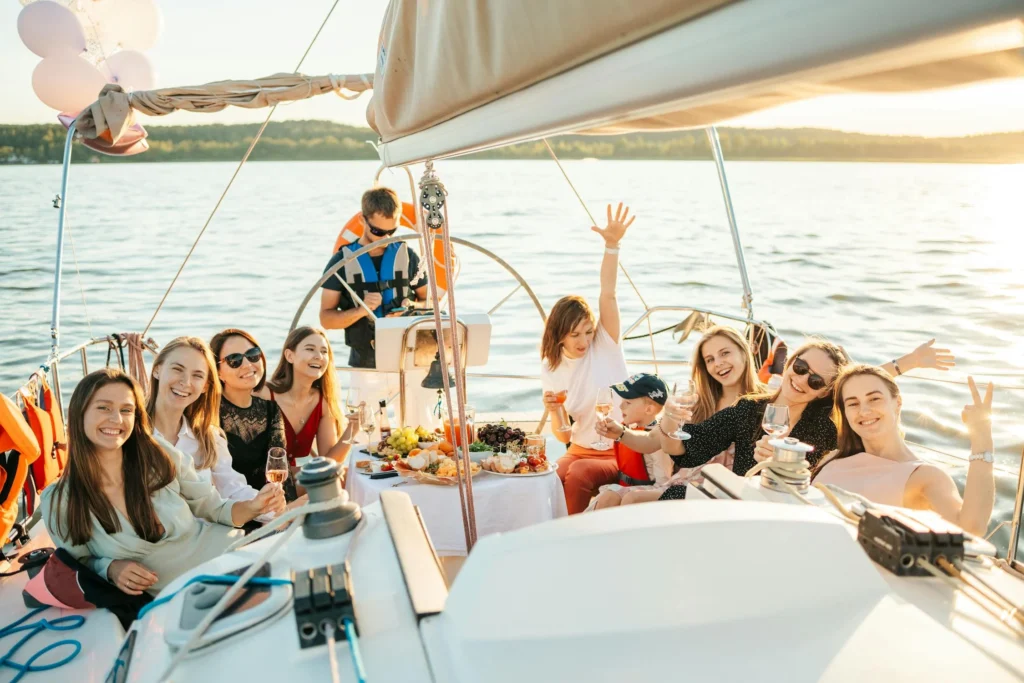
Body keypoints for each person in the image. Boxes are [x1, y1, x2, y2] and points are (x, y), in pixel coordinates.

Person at [40, 369, 281, 595]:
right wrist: (111, 568)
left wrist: (254, 506)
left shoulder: (158, 455)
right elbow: (78, 563)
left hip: (234, 555)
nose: (116, 419)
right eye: (103, 408)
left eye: (126, 410)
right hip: (182, 596)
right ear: (78, 413)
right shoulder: (60, 500)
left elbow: (215, 509)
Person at [813, 365, 995, 537]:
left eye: (874, 398)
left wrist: (982, 435)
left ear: (897, 402)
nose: (864, 410)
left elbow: (971, 528)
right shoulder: (832, 459)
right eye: (853, 403)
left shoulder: (924, 476)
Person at [595, 325, 762, 506]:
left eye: (725, 353)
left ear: (744, 353)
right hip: (684, 483)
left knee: (633, 499)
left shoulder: (763, 404)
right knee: (608, 498)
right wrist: (620, 433)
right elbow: (652, 440)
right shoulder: (698, 404)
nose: (718, 363)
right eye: (710, 359)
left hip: (717, 492)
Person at [540, 203, 635, 514]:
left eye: (587, 331)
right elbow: (563, 435)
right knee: (547, 475)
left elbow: (608, 293)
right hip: (579, 448)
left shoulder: (605, 344)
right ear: (559, 336)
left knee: (578, 475)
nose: (584, 341)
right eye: (575, 334)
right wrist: (553, 412)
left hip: (618, 450)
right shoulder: (551, 367)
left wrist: (612, 246)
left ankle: (568, 543)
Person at [147, 336, 287, 523]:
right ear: (157, 370)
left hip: (208, 536)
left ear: (205, 386)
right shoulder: (131, 432)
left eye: (197, 375)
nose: (186, 382)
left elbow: (232, 489)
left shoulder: (208, 437)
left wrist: (267, 503)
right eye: (177, 369)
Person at [319, 187, 429, 369]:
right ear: (363, 220)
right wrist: (361, 311)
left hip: (411, 358)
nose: (385, 238)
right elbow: (326, 319)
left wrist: (411, 308)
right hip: (365, 363)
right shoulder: (340, 262)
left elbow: (429, 301)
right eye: (378, 232)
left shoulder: (409, 257)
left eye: (391, 232)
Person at [209, 328, 296, 501]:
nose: (248, 364)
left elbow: (279, 468)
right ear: (217, 371)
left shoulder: (271, 410)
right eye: (235, 360)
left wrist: (283, 511)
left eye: (253, 354)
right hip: (227, 511)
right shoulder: (209, 412)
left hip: (269, 506)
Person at [266, 326, 358, 465]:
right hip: (259, 480)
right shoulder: (265, 394)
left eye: (324, 351)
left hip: (290, 479)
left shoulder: (322, 401)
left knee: (343, 476)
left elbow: (329, 462)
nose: (319, 356)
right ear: (290, 356)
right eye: (310, 349)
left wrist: (353, 429)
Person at [590, 373, 672, 510]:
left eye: (628, 402)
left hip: (644, 496)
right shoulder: (627, 429)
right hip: (626, 486)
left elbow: (663, 483)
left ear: (649, 409)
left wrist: (626, 493)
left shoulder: (658, 440)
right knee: (608, 496)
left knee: (609, 496)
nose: (620, 406)